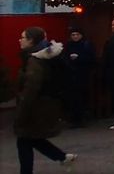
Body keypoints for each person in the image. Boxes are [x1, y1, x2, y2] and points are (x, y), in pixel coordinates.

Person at [15, 27, 77, 174]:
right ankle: (63, 157)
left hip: (36, 108)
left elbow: (31, 88)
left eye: (23, 37)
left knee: (24, 139)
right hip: (45, 106)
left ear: (31, 41)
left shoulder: (34, 60)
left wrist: (21, 113)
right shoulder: (43, 55)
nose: (20, 40)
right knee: (30, 139)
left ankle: (61, 158)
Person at [63, 26, 95, 127]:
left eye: (77, 34)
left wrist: (79, 58)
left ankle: (80, 119)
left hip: (82, 74)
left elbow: (91, 59)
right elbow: (64, 58)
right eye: (73, 35)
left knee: (80, 97)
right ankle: (73, 118)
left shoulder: (86, 45)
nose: (75, 36)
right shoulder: (68, 45)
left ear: (81, 35)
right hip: (71, 75)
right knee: (72, 97)